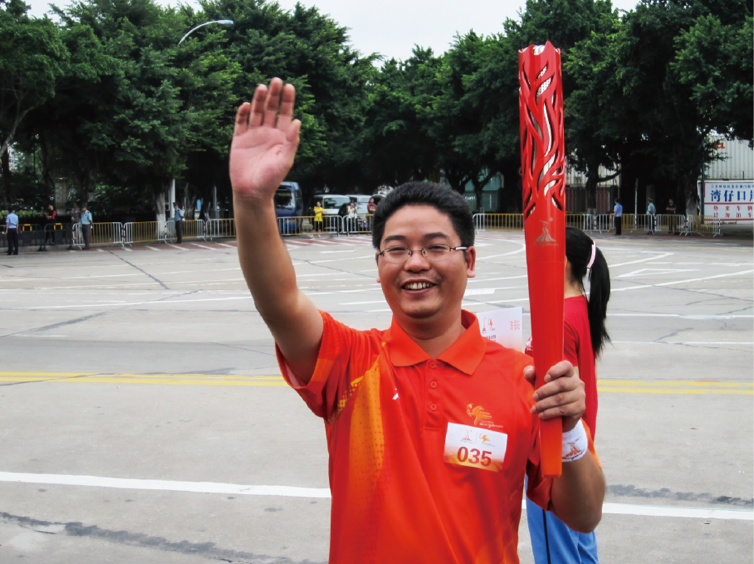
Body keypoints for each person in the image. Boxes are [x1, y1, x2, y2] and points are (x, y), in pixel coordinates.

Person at [228, 78, 604, 564]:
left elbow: (584, 514)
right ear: (379, 265)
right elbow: (278, 300)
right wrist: (253, 201)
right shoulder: (351, 363)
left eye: (435, 247)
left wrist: (571, 432)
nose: (416, 262)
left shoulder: (523, 380)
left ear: (469, 260)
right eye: (397, 249)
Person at [525, 226, 611, 564]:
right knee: (582, 545)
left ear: (560, 262)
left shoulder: (558, 318)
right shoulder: (579, 306)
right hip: (578, 445)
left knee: (558, 553)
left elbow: (555, 393)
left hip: (554, 452)